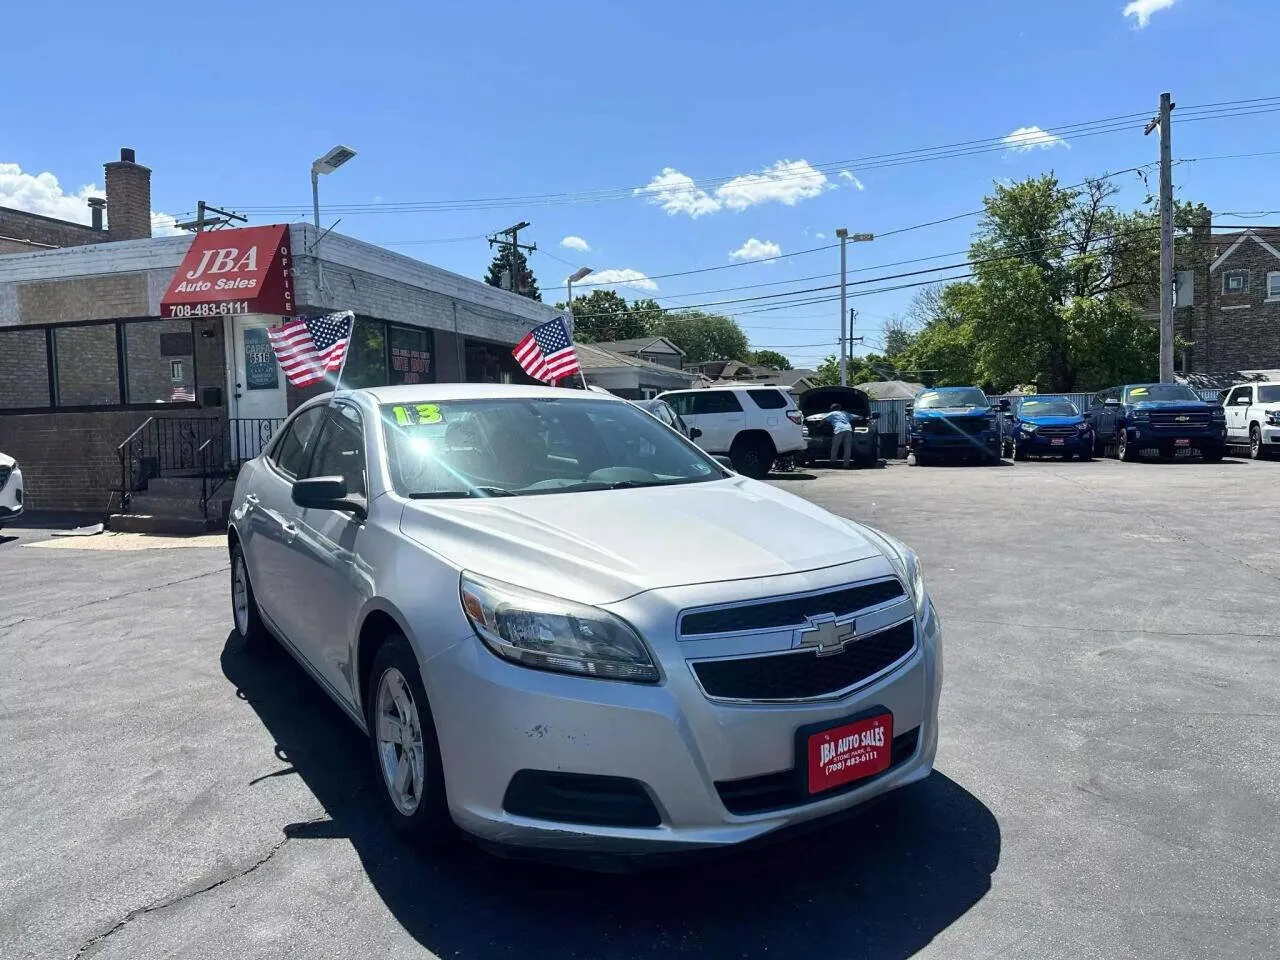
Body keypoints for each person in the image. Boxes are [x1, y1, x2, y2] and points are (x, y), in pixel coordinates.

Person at [825, 403, 853, 468]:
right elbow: (855, 417)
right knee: (847, 448)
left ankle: (833, 463)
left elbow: (823, 419)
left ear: (832, 409)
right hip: (848, 429)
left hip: (839, 430)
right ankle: (846, 464)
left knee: (835, 447)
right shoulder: (845, 413)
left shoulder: (832, 413)